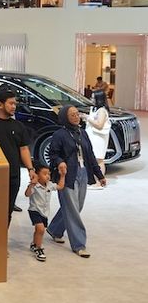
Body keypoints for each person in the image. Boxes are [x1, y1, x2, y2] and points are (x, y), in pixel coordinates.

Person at [47, 105, 106, 258]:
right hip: (66, 174)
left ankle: (54, 229)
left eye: (77, 114)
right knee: (72, 209)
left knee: (76, 206)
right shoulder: (59, 134)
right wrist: (60, 162)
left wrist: (100, 175)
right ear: (64, 117)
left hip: (83, 172)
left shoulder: (82, 133)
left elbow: (90, 155)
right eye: (72, 115)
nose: (76, 117)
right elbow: (53, 154)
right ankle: (79, 244)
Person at [0, 89, 37, 224]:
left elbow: (24, 149)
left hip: (13, 175)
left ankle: (2, 236)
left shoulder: (19, 126)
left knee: (7, 211)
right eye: (11, 103)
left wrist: (30, 169)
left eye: (15, 104)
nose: (14, 106)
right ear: (0, 105)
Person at [25, 165, 66, 262]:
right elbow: (27, 194)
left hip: (44, 212)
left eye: (49, 174)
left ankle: (34, 244)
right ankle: (38, 249)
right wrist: (31, 185)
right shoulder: (35, 186)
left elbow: (60, 187)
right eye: (44, 174)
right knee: (40, 229)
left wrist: (62, 176)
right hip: (34, 210)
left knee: (38, 231)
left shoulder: (50, 185)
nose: (47, 176)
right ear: (37, 175)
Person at [83, 89, 111, 182]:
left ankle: (100, 181)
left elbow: (99, 125)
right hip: (93, 136)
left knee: (99, 159)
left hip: (99, 138)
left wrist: (87, 118)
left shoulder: (102, 111)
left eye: (93, 98)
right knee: (94, 159)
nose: (91, 99)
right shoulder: (94, 109)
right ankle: (95, 180)